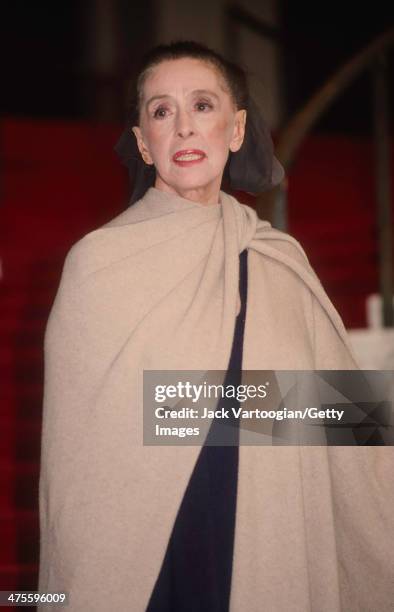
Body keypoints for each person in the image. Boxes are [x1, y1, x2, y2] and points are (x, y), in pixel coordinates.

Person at [38, 41, 394, 611]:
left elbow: (345, 423)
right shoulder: (100, 262)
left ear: (236, 128)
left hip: (266, 524)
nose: (183, 128)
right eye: (161, 111)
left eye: (203, 105)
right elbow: (89, 447)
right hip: (150, 540)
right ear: (142, 143)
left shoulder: (279, 257)